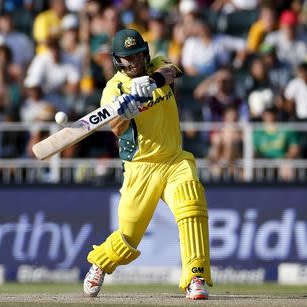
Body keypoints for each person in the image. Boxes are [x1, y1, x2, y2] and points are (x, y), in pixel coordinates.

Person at [83, 29, 212, 300]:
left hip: (175, 158)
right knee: (129, 236)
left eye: (139, 55)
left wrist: (151, 82)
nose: (135, 62)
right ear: (118, 61)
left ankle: (195, 277)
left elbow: (173, 73)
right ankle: (100, 263)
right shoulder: (114, 89)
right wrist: (126, 112)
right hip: (141, 168)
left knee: (192, 207)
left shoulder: (158, 65)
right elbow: (116, 129)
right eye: (128, 58)